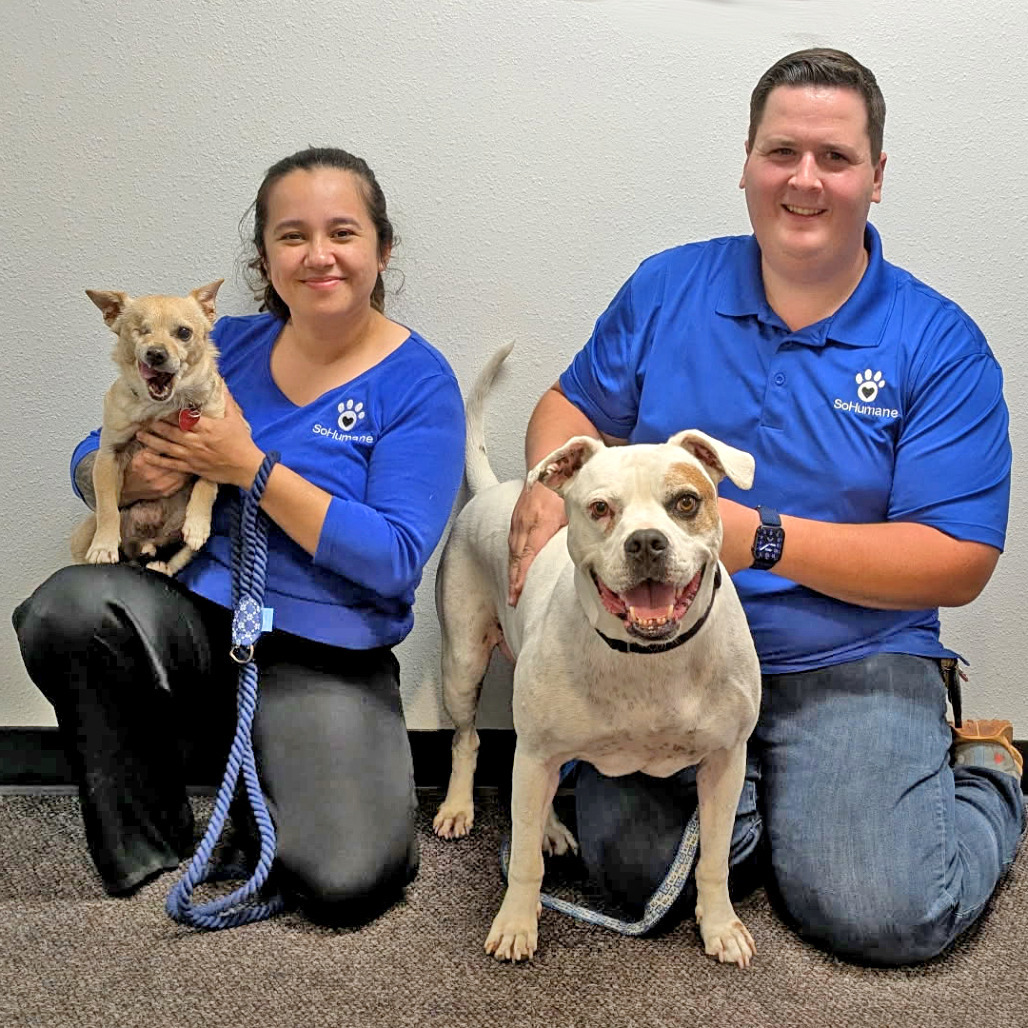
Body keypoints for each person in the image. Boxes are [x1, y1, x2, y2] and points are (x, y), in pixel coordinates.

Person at [506, 49, 1024, 965]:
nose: (806, 180)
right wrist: (548, 508)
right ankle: (791, 808)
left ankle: (987, 777)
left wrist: (769, 542)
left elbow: (959, 558)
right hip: (661, 649)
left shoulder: (938, 342)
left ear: (877, 174)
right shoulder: (668, 288)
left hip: (853, 650)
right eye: (782, 151)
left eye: (835, 157)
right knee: (635, 875)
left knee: (883, 912)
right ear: (746, 161)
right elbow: (569, 409)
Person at [13, 147, 465, 926]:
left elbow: (393, 560)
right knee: (70, 609)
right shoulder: (221, 347)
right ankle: (152, 854)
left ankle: (292, 782)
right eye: (292, 236)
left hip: (327, 649)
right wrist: (120, 478)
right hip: (197, 618)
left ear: (381, 249)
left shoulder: (420, 382)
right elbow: (97, 449)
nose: (318, 255)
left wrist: (253, 467)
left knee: (347, 881)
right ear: (265, 259)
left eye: (343, 233)